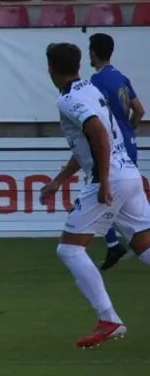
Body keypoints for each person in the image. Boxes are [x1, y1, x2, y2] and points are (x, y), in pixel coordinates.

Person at [39, 43, 150, 348]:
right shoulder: (90, 89)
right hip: (127, 171)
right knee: (143, 246)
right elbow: (91, 141)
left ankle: (108, 319)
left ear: (50, 69)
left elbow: (99, 134)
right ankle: (109, 319)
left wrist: (102, 181)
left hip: (111, 176)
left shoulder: (69, 100)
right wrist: (58, 181)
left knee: (69, 249)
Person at [88, 33, 144, 271]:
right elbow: (139, 111)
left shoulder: (97, 80)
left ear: (94, 52)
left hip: (111, 145)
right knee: (127, 196)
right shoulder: (121, 78)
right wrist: (129, 130)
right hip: (129, 144)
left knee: (100, 190)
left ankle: (114, 244)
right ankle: (115, 244)